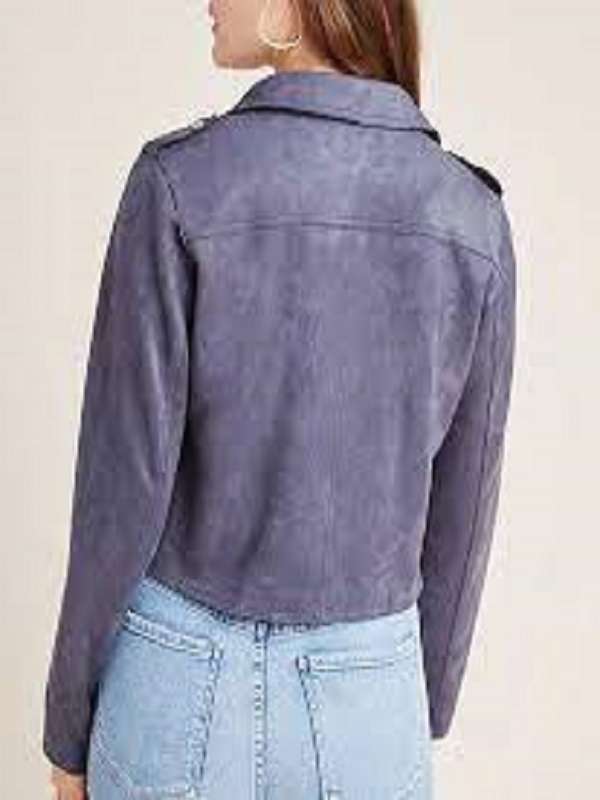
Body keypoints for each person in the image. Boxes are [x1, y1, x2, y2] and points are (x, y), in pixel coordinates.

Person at [44, 1, 517, 798]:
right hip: (369, 698)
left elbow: (118, 493)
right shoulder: (471, 215)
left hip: (174, 683)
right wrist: (411, 706)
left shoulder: (177, 183)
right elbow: (463, 517)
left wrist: (68, 727)